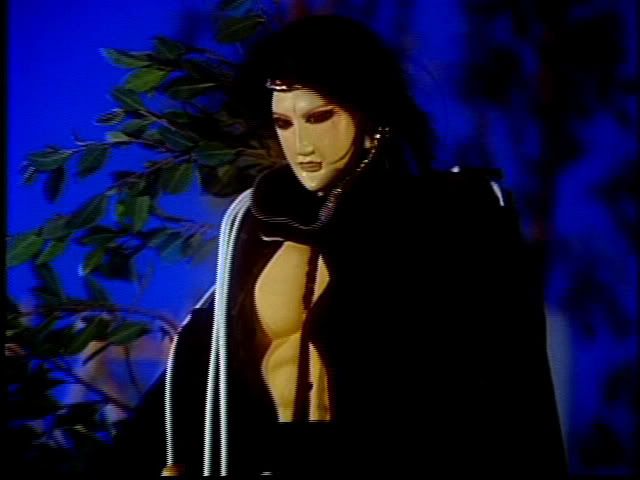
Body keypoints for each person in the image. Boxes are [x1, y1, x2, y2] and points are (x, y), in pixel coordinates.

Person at [109, 15, 567, 477]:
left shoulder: (448, 216)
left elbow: (510, 382)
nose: (301, 145)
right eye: (284, 123)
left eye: (319, 117)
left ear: (370, 115)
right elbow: (200, 371)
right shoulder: (259, 225)